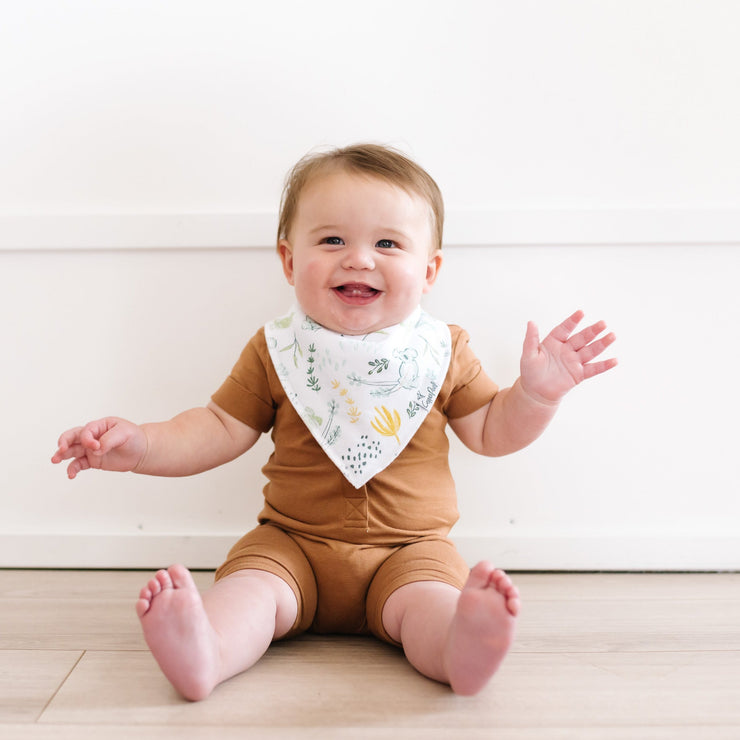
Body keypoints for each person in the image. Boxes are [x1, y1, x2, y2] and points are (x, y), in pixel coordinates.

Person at [51, 143, 617, 701]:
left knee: (430, 601)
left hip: (411, 549)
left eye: (388, 243)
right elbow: (218, 427)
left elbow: (492, 431)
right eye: (332, 240)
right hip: (292, 543)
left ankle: (458, 648)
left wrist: (537, 396)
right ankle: (208, 650)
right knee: (249, 590)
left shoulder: (442, 351)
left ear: (429, 270)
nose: (360, 258)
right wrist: (143, 445)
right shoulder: (277, 350)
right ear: (290, 262)